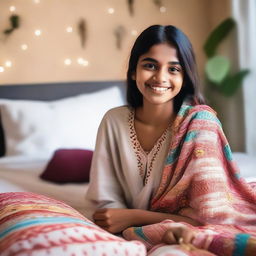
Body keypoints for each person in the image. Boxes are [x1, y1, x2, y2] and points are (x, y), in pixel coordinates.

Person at [85, 25, 256, 255]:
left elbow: (209, 220)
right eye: (150, 65)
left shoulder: (200, 123)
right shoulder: (113, 120)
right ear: (134, 71)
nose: (160, 77)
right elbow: (107, 205)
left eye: (173, 69)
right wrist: (118, 217)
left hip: (188, 226)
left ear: (185, 78)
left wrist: (133, 217)